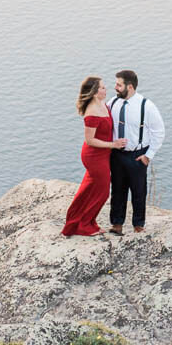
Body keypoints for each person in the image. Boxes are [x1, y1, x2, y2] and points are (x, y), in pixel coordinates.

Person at [61, 76, 126, 237]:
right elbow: (90, 140)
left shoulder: (103, 104)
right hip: (94, 156)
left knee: (89, 190)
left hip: (103, 155)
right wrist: (114, 144)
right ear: (95, 92)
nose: (106, 90)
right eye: (103, 88)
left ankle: (83, 222)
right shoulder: (91, 112)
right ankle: (83, 225)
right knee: (102, 192)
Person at [105, 69, 165, 235]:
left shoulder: (147, 106)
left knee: (139, 191)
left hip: (137, 155)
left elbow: (159, 132)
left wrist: (148, 156)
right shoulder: (113, 103)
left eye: (119, 84)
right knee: (117, 189)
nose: (115, 87)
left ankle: (138, 224)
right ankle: (117, 223)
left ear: (129, 87)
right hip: (117, 155)